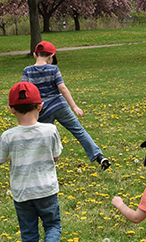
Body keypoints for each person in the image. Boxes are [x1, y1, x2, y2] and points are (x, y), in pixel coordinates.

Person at [0, 81, 63, 242]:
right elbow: (56, 156)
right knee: (53, 225)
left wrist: (13, 155)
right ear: (40, 106)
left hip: (22, 193)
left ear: (11, 109)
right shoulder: (50, 130)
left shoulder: (8, 136)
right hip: (47, 190)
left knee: (29, 232)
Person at [21, 40, 110, 169]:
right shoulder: (54, 69)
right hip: (60, 106)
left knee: (41, 136)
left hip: (43, 110)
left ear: (35, 55)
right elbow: (62, 88)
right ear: (51, 56)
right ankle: (99, 156)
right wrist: (74, 106)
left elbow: (25, 91)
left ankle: (39, 162)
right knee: (79, 131)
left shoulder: (27, 71)